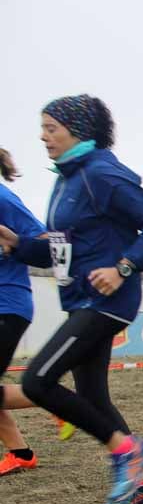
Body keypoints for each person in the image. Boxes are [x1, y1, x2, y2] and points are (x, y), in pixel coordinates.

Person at [0, 95, 143, 504]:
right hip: (81, 299)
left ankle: (128, 452)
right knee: (93, 397)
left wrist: (124, 267)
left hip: (107, 298)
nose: (43, 136)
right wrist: (18, 245)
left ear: (77, 130)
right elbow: (60, 251)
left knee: (39, 380)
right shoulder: (66, 179)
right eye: (42, 128)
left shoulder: (101, 173)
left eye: (51, 128)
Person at [0, 148, 46, 476]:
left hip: (9, 303)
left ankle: (56, 398)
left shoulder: (4, 199)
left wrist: (13, 242)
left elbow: (45, 242)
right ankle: (20, 453)